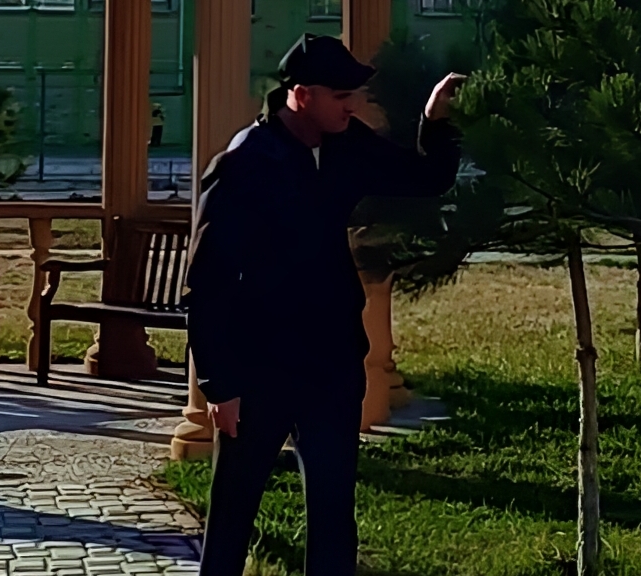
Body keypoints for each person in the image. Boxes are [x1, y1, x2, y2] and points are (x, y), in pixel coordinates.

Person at [185, 33, 464, 576]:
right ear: (301, 94)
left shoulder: (345, 145)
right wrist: (219, 386)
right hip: (258, 372)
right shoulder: (243, 163)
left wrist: (436, 121)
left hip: (332, 366)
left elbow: (425, 178)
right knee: (234, 511)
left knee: (334, 514)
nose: (352, 106)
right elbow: (207, 282)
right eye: (340, 96)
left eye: (353, 95)